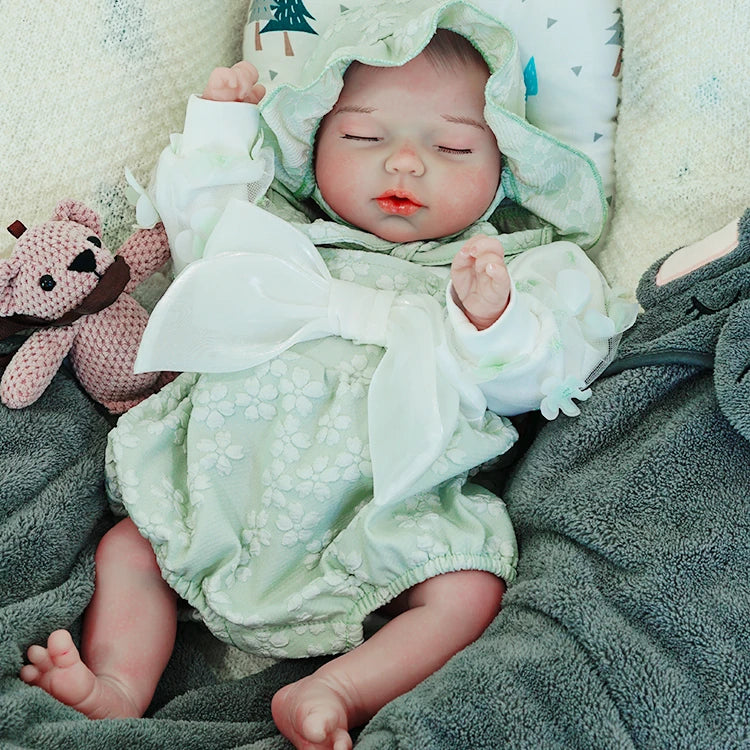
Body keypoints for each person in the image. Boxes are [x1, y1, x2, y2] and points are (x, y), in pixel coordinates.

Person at [20, 3, 637, 749]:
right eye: (365, 136)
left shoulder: (518, 269)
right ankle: (119, 684)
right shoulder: (278, 233)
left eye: (452, 146)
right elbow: (201, 231)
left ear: (506, 172)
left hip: (384, 514)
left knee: (469, 588)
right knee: (131, 546)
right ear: (311, 146)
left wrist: (493, 321)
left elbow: (549, 378)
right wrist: (222, 129)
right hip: (223, 479)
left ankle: (339, 688)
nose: (405, 162)